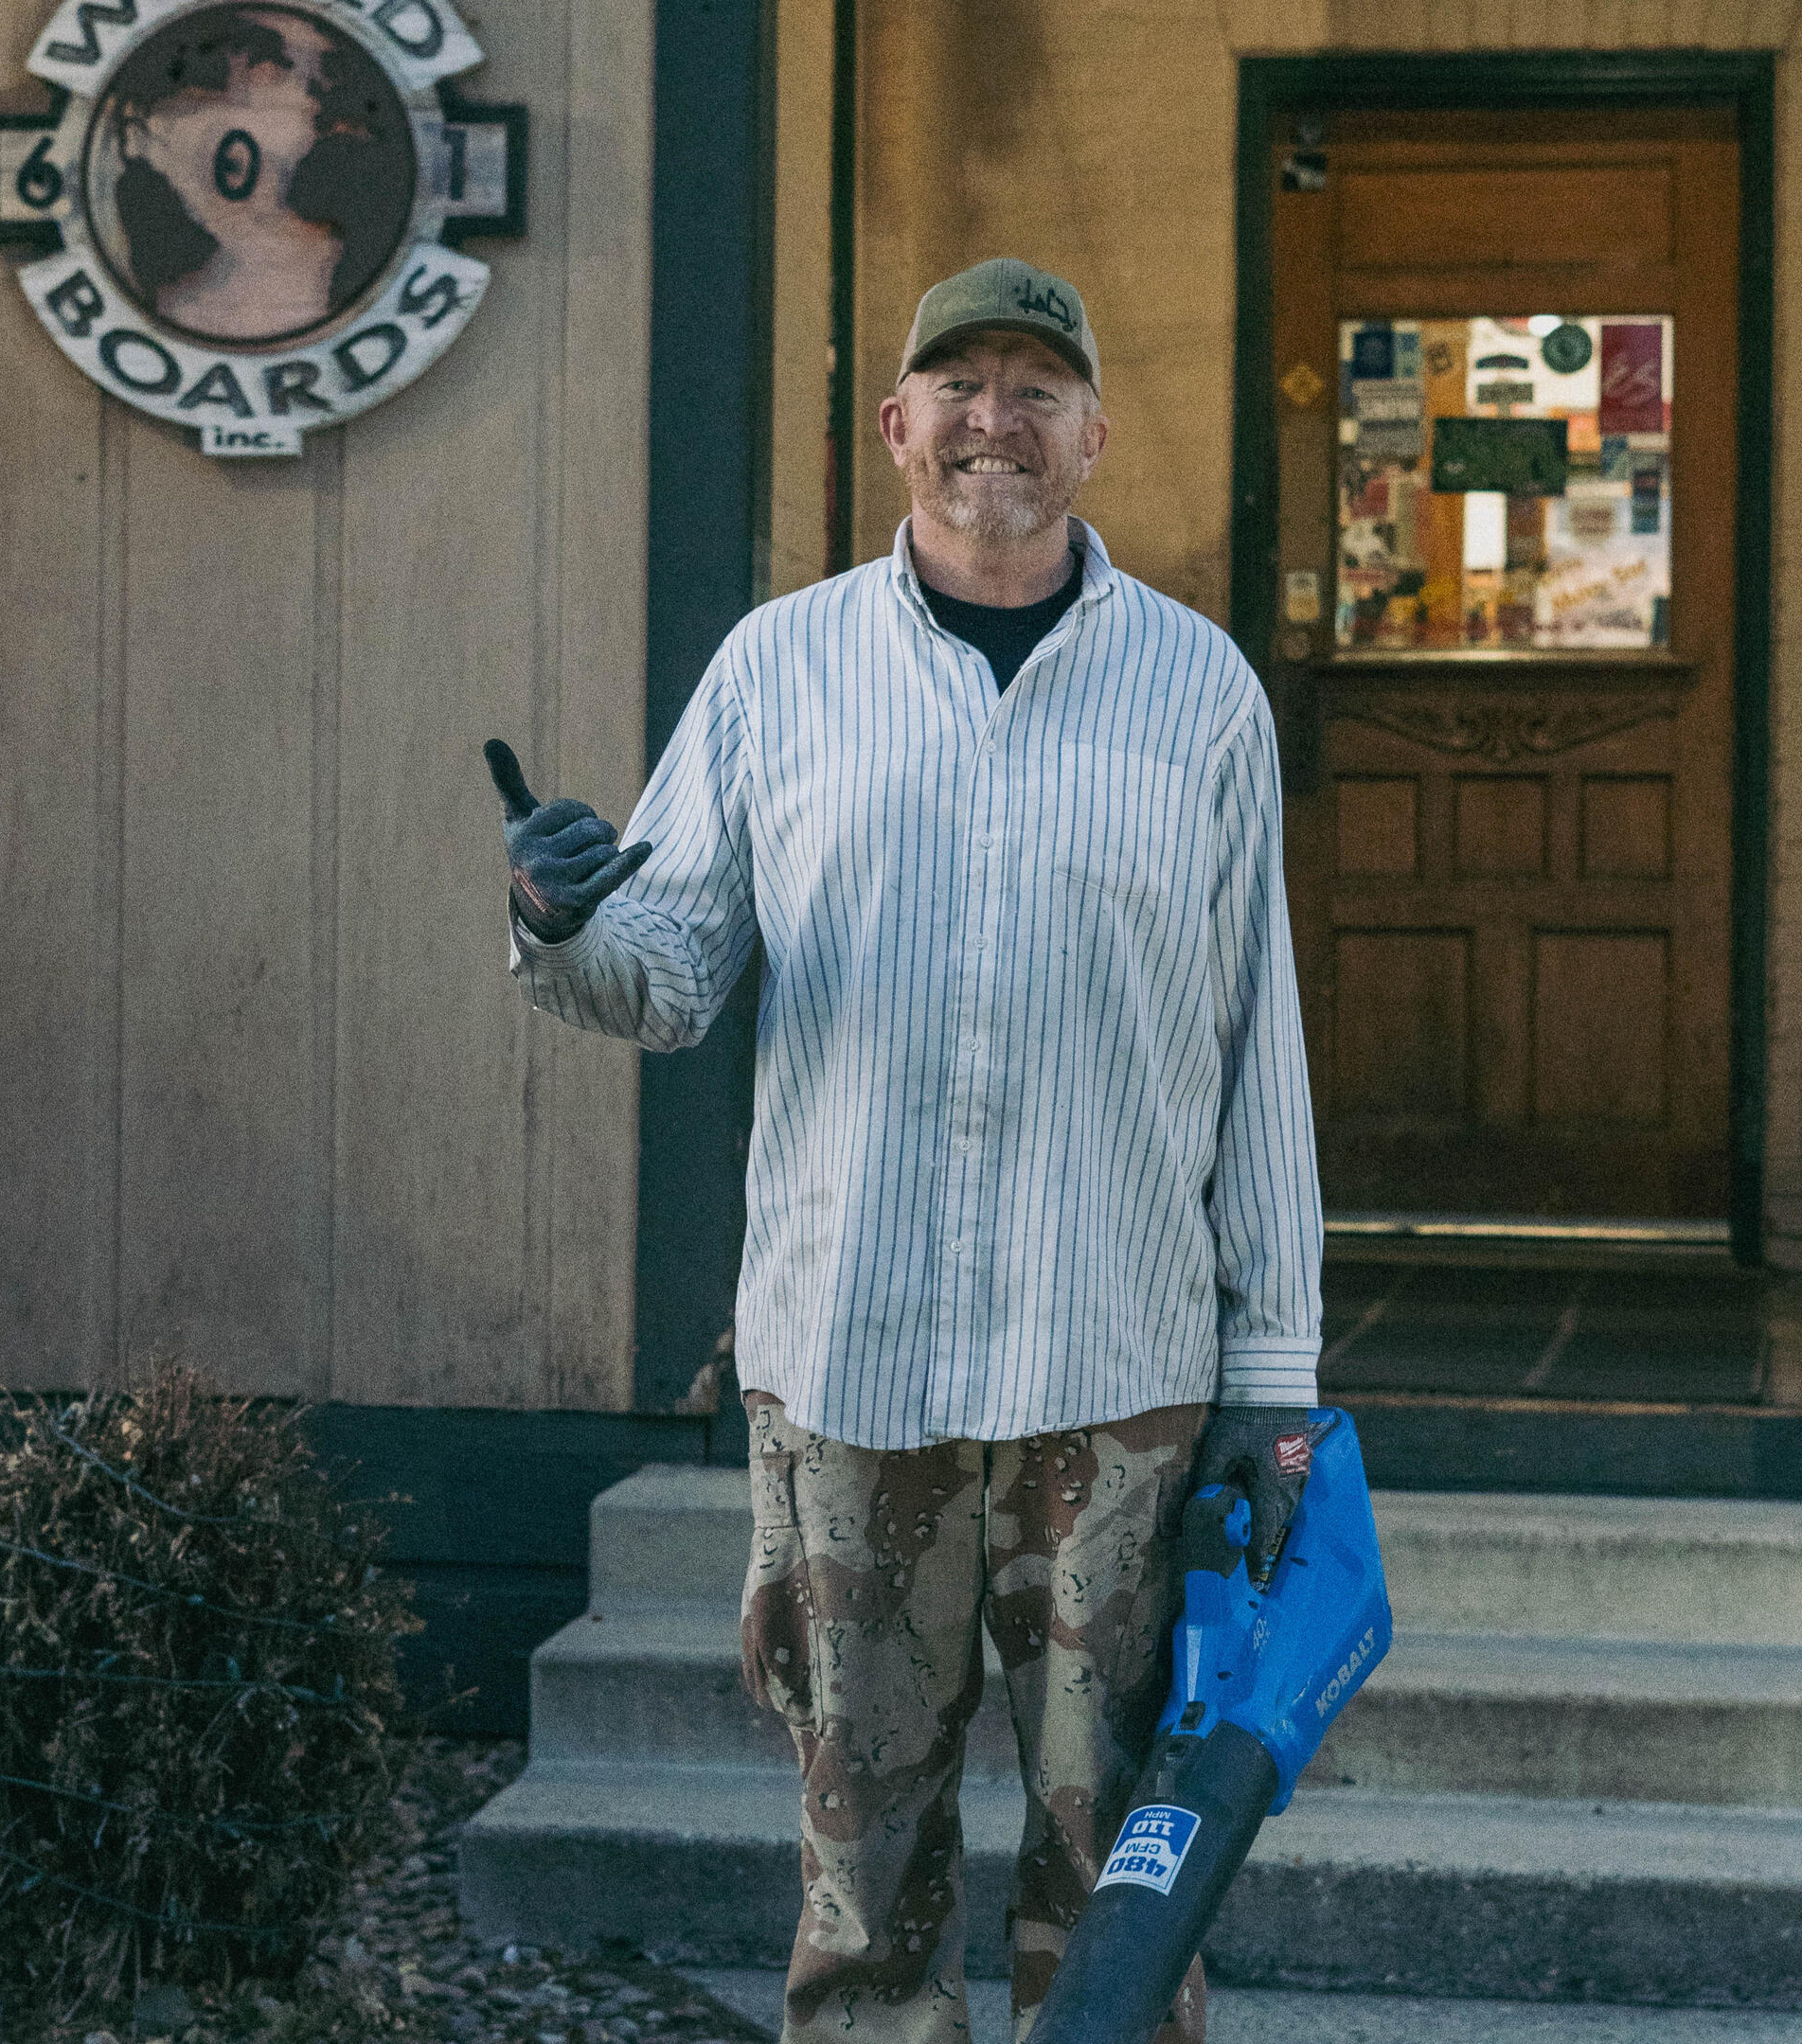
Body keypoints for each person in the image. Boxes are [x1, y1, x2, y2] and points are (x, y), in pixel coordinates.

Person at [485, 258, 1324, 2044]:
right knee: (865, 1887)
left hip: (1125, 1387)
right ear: (896, 427)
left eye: (1037, 389)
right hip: (852, 1373)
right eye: (959, 385)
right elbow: (671, 978)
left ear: (1095, 435)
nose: (993, 422)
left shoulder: (1202, 696)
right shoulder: (779, 672)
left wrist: (1277, 1377)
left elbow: (1262, 1056)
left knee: (1126, 1887)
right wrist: (561, 920)